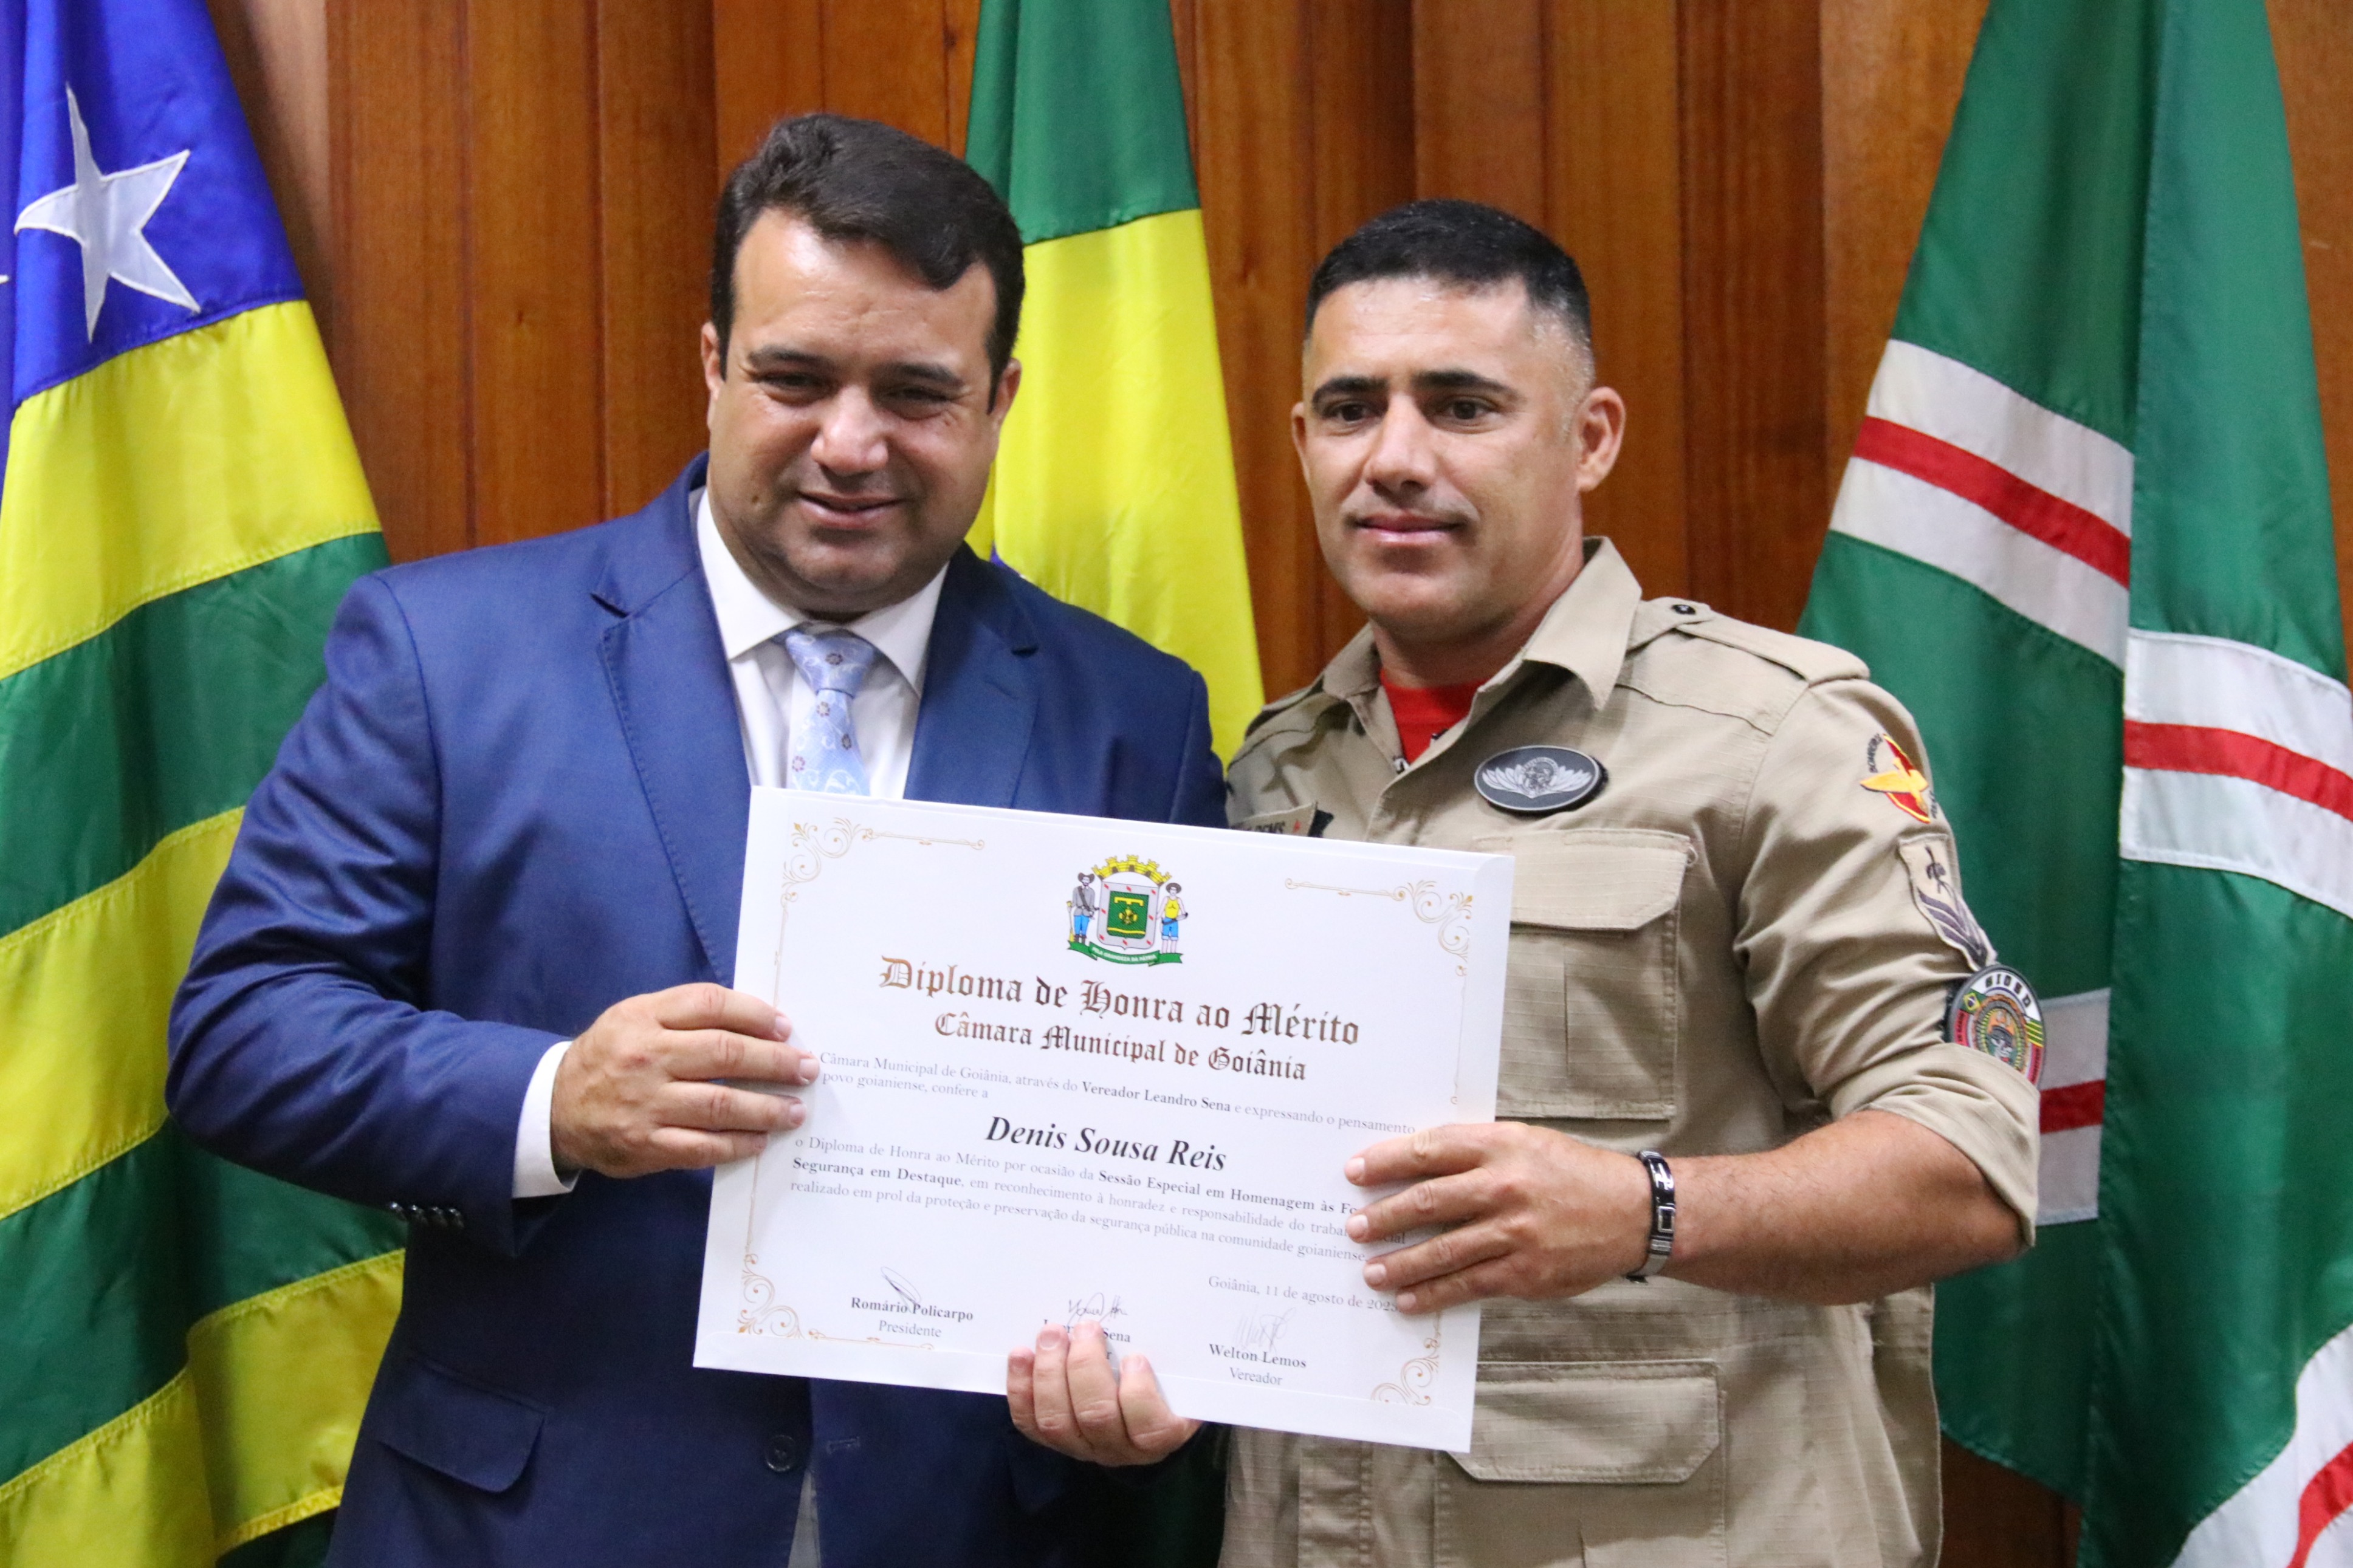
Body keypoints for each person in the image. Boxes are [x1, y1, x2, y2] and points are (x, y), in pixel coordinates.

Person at [167, 114, 1223, 1568]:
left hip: (964, 1525)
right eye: (796, 378)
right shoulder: (443, 652)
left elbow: (1181, 1148)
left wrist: (1156, 1368)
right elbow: (242, 1033)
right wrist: (553, 1098)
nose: (850, 444)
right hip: (532, 1525)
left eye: (917, 393)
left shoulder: (1134, 716)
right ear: (714, 364)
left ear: (1000, 399)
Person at [1009, 200, 2040, 1565]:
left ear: (1589, 436)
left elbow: (1970, 1164)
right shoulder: (1267, 772)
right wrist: (1146, 1374)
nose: (1395, 459)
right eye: (1350, 410)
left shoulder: (1771, 735)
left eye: (1462, 406)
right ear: (1302, 443)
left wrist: (1643, 1211)